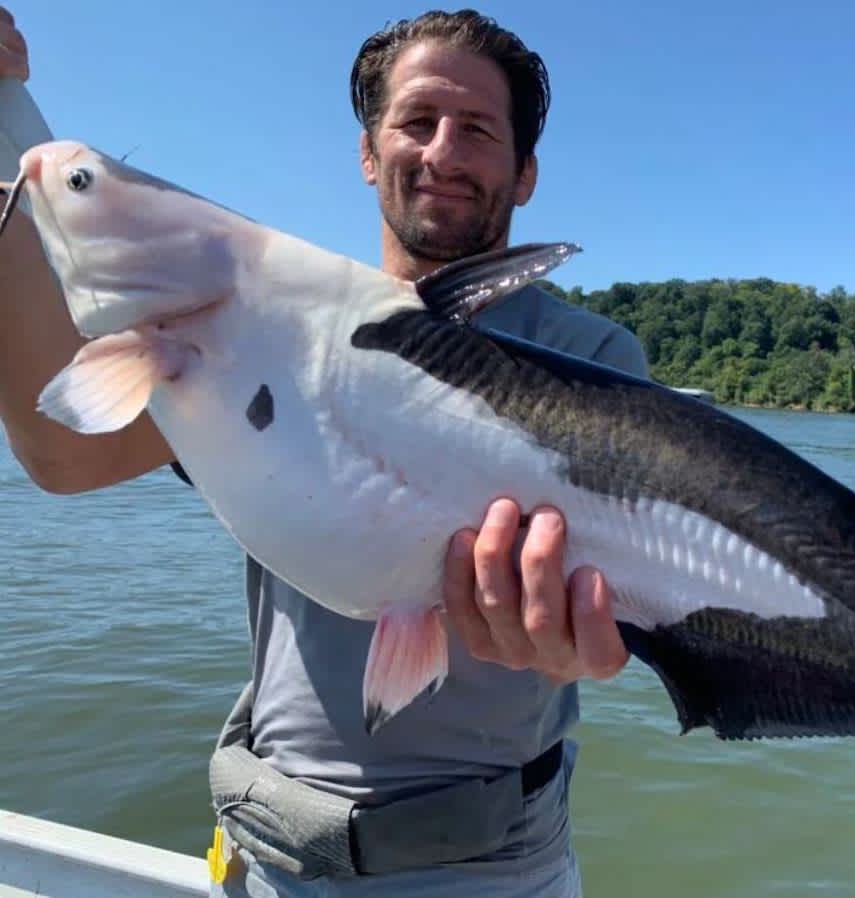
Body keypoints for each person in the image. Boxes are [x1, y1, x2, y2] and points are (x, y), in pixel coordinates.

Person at [0, 8, 649, 897]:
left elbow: (618, 619)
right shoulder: (251, 334)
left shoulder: (595, 360)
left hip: (498, 871)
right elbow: (66, 458)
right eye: (417, 122)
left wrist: (590, 642)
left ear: (525, 173)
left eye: (479, 131)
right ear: (368, 153)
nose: (444, 152)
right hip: (270, 856)